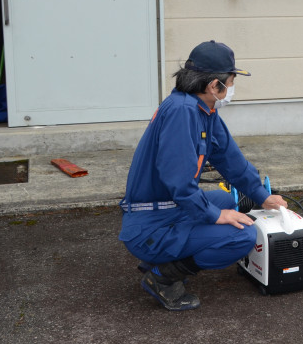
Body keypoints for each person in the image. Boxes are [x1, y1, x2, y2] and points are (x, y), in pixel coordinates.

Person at [119, 40, 287, 311]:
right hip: (149, 226)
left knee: (225, 200)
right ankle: (163, 277)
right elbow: (179, 183)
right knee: (242, 236)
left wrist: (262, 196)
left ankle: (164, 258)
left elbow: (231, 161)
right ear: (213, 86)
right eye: (230, 82)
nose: (231, 89)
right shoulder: (182, 113)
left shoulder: (201, 109)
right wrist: (215, 217)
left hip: (165, 210)